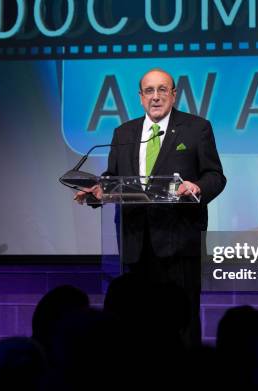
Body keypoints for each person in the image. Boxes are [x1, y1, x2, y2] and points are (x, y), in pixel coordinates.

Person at [75, 68, 226, 346]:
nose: (155, 97)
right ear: (140, 97)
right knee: (135, 325)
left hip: (179, 243)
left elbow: (215, 176)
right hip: (134, 243)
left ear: (173, 94)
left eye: (162, 90)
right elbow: (113, 178)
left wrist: (197, 187)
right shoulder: (124, 132)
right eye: (149, 91)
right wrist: (98, 192)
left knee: (180, 322)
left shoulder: (196, 128)